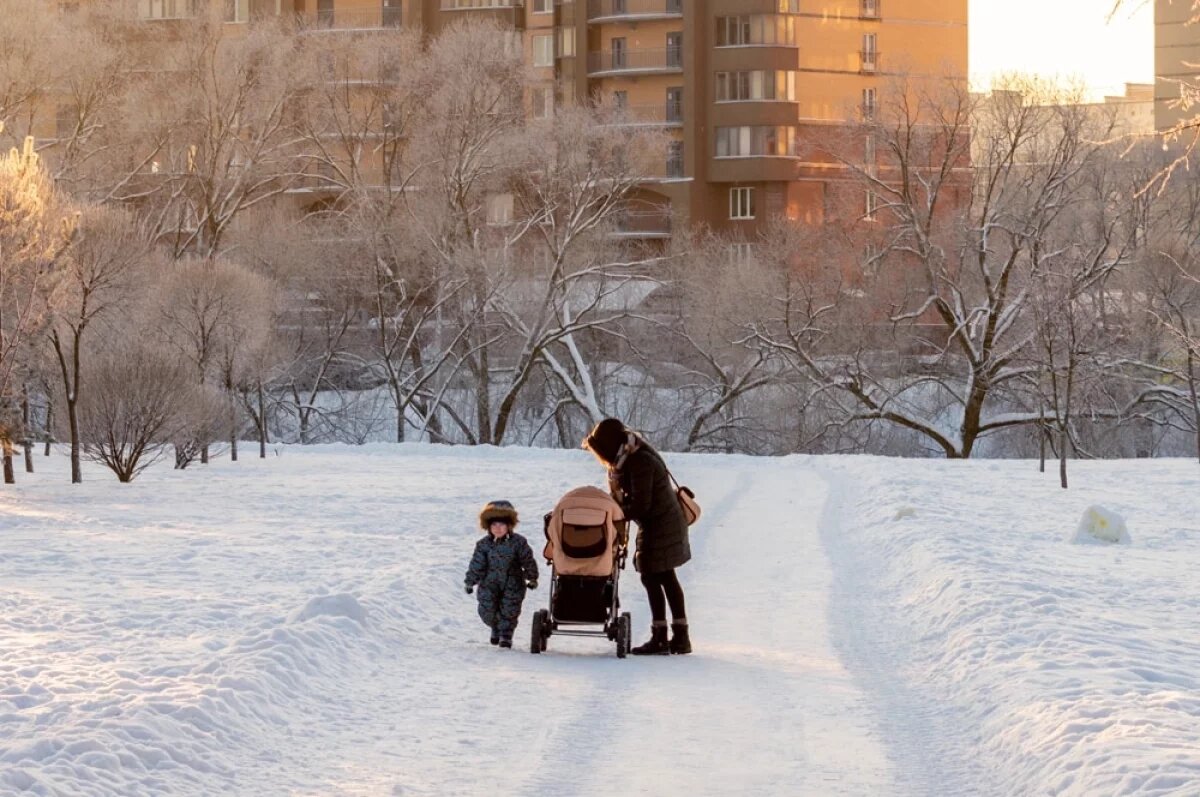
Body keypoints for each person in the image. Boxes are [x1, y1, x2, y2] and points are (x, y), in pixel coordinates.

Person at [583, 418, 691, 655]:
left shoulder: (639, 461)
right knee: (662, 577)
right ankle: (677, 637)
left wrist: (613, 515)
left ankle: (663, 638)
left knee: (654, 577)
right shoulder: (632, 455)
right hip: (661, 522)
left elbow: (642, 505)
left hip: (661, 524)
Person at [464, 500, 539, 649]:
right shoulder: (484, 545)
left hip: (513, 582)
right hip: (489, 582)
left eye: (501, 525)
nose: (497, 529)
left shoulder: (518, 542)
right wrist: (470, 581)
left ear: (509, 526)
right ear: (488, 527)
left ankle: (506, 635)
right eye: (494, 525)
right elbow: (477, 564)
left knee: (509, 608)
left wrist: (532, 577)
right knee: (487, 608)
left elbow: (527, 560)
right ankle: (495, 627)